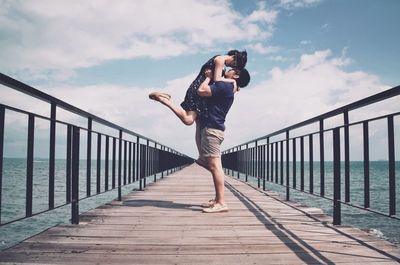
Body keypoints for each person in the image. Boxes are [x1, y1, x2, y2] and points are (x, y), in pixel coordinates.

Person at [197, 67, 250, 213]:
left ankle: (221, 202)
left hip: (212, 129)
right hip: (215, 129)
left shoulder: (226, 85)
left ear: (236, 75)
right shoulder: (229, 85)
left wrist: (208, 78)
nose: (228, 69)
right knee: (213, 166)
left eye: (232, 69)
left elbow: (201, 91)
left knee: (215, 167)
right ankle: (217, 199)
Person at [148, 50, 247, 126]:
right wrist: (232, 81)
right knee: (188, 120)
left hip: (201, 92)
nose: (231, 66)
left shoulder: (221, 63)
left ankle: (162, 98)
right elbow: (217, 79)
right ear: (234, 57)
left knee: (194, 122)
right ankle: (163, 99)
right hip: (197, 90)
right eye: (234, 65)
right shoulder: (220, 60)